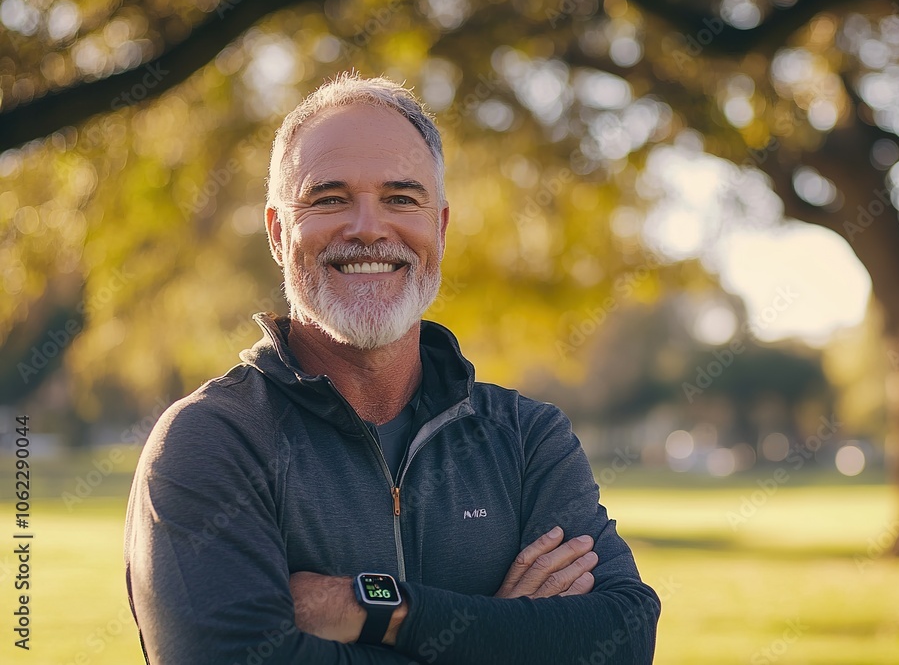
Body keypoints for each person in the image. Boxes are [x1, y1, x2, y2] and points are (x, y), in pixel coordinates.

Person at [124, 72, 660, 664]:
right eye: (329, 199)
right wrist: (510, 633)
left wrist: (375, 609)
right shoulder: (211, 441)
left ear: (440, 227)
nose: (369, 229)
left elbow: (623, 638)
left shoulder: (527, 438)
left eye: (401, 198)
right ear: (279, 233)